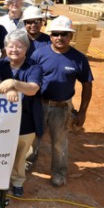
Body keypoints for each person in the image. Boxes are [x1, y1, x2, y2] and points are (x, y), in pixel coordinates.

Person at [30, 15, 93, 187]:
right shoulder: (39, 54)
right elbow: (29, 78)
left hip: (62, 108)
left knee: (59, 142)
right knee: (34, 137)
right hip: (39, 104)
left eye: (64, 34)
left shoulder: (78, 59)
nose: (59, 37)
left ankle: (58, 173)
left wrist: (82, 111)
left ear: (70, 36)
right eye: (56, 33)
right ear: (50, 35)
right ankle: (28, 164)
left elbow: (87, 85)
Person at [0, 29, 43, 197]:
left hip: (26, 120)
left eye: (19, 46)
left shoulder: (34, 67)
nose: (14, 50)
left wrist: (14, 83)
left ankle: (17, 181)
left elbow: (33, 88)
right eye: (10, 46)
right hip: (1, 120)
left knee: (21, 154)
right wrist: (9, 88)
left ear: (26, 48)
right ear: (5, 47)